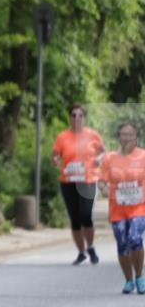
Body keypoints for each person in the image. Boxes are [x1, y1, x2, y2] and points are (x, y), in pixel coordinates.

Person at [52, 103, 105, 265]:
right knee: (75, 218)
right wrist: (55, 159)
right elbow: (55, 155)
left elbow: (103, 152)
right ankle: (82, 253)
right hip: (68, 182)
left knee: (86, 215)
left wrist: (98, 159)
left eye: (80, 115)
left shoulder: (92, 135)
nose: (77, 118)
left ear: (84, 118)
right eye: (73, 115)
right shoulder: (62, 137)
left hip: (87, 180)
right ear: (69, 118)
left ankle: (91, 247)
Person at [99, 121, 145, 294]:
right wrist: (104, 189)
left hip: (139, 208)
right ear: (119, 137)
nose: (127, 138)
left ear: (136, 137)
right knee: (122, 244)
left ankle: (139, 277)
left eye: (130, 134)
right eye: (124, 134)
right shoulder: (110, 158)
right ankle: (128, 280)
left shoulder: (143, 156)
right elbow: (102, 181)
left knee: (135, 238)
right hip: (118, 209)